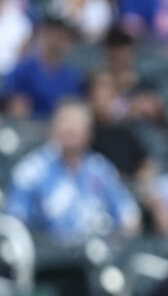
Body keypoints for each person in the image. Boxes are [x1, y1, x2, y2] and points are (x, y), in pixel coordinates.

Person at [5, 100, 140, 244]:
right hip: (48, 258)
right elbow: (14, 224)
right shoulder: (30, 171)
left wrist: (121, 240)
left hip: (97, 254)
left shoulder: (100, 169)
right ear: (52, 129)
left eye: (78, 124)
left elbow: (128, 214)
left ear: (89, 134)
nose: (71, 129)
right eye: (65, 123)